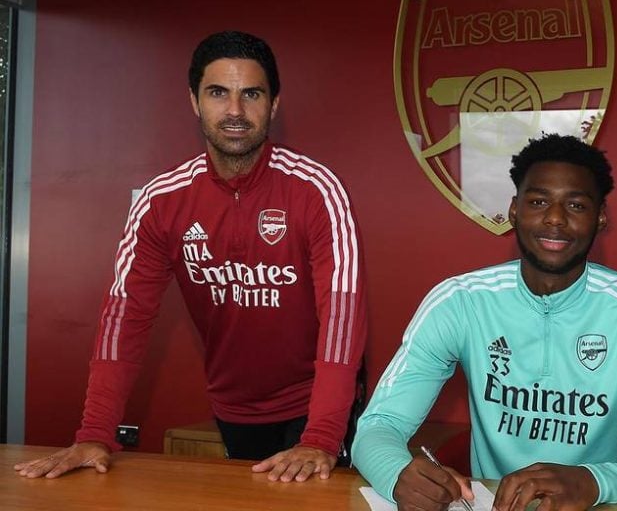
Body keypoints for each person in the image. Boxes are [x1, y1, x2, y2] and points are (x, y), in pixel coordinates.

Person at [15, 31, 367, 483]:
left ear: (274, 104)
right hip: (233, 407)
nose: (235, 110)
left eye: (252, 94)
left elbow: (342, 317)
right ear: (194, 102)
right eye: (218, 93)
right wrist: (95, 433)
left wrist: (320, 437)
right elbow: (125, 318)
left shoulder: (316, 190)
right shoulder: (161, 201)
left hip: (315, 405)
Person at [353, 133, 617, 511]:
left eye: (576, 205)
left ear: (600, 217)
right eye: (538, 201)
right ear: (514, 210)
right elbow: (377, 425)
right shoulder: (461, 302)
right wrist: (397, 473)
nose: (555, 218)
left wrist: (593, 482)